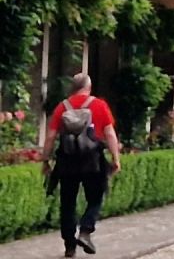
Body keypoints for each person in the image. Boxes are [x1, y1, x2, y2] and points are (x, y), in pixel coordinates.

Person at [41, 73, 121, 258]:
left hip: (67, 161)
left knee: (67, 202)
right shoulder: (99, 105)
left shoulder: (62, 107)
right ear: (89, 87)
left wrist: (45, 160)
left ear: (72, 88)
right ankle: (85, 230)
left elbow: (51, 136)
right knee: (96, 197)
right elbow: (109, 134)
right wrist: (115, 158)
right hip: (92, 161)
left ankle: (69, 246)